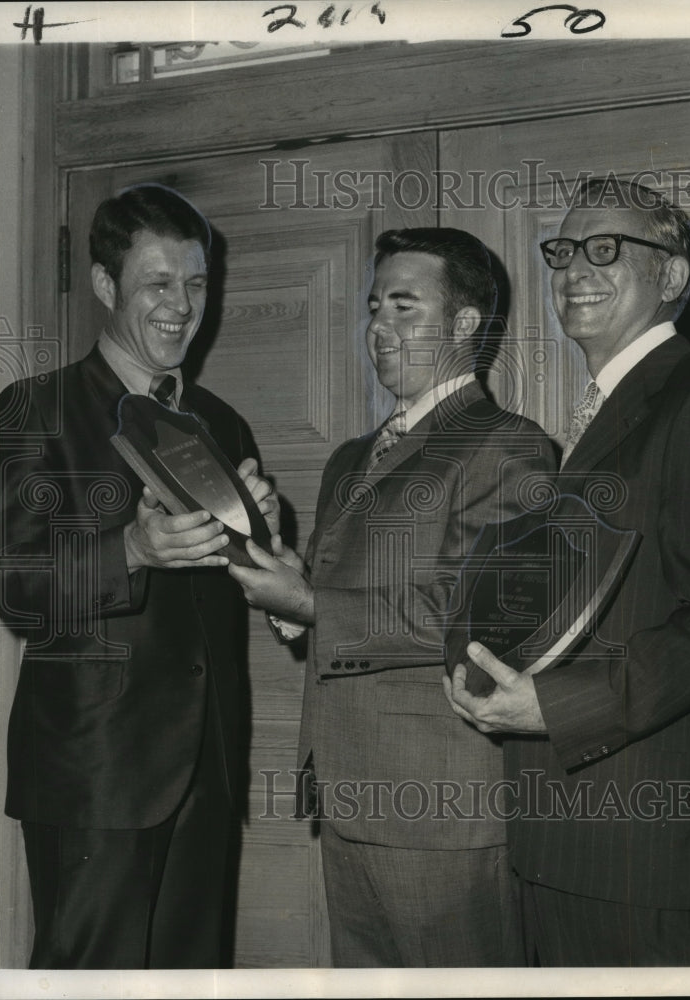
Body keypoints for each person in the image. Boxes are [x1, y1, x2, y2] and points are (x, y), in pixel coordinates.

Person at [229, 227, 556, 967]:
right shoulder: (351, 457)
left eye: (404, 307)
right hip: (348, 796)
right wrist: (287, 590)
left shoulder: (508, 445)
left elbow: (472, 615)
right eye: (375, 306)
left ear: (465, 324)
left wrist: (313, 605)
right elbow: (335, 616)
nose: (378, 325)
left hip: (443, 809)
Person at [445, 179, 690, 966]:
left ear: (673, 278)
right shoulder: (598, 415)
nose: (576, 268)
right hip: (562, 839)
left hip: (644, 857)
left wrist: (552, 706)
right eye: (564, 250)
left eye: (607, 248)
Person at [0, 183, 277, 969]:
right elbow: (19, 593)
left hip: (207, 774)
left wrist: (264, 544)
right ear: (103, 284)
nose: (182, 306)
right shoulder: (33, 411)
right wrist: (131, 550)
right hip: (94, 780)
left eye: (196, 284)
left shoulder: (221, 424)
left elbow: (234, 581)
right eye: (158, 282)